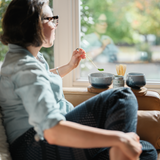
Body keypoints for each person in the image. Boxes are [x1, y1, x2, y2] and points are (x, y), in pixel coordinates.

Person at [0, 0, 157, 160]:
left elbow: (41, 81)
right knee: (122, 96)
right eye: (51, 19)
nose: (55, 25)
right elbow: (52, 131)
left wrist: (69, 66)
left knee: (145, 150)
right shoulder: (24, 67)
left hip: (40, 143)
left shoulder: (28, 59)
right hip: (35, 146)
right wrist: (119, 139)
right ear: (34, 25)